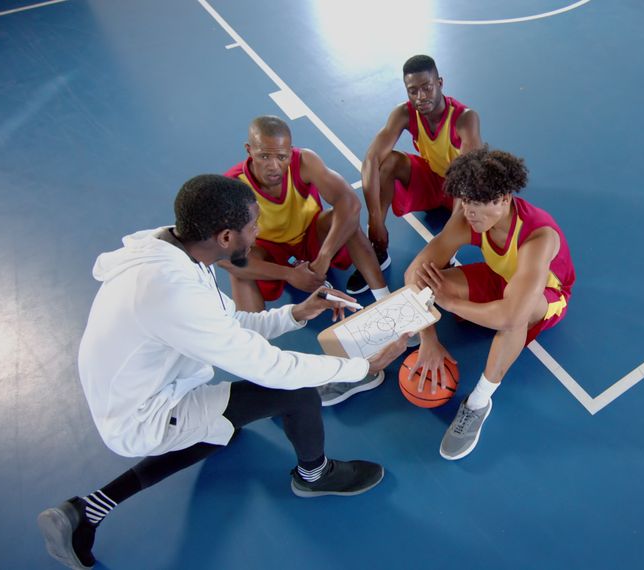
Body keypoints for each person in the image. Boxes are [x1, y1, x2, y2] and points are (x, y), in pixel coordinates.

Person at [37, 175, 410, 570]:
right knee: (296, 394)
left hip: (131, 387)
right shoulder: (171, 292)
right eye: (253, 225)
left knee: (224, 428)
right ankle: (314, 476)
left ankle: (86, 512)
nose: (259, 231)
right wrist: (361, 366)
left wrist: (296, 313)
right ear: (227, 237)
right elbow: (270, 368)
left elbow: (227, 323)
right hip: (144, 412)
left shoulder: (174, 249)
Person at [404, 148, 575, 460]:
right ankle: (415, 332)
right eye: (466, 201)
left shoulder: (538, 236)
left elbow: (511, 317)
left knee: (517, 316)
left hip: (545, 297)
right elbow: (413, 273)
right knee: (428, 279)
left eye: (480, 202)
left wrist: (450, 303)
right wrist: (428, 339)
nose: (471, 212)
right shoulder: (466, 217)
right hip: (501, 279)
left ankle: (479, 403)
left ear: (505, 199)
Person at [223, 115, 389, 308]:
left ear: (290, 152)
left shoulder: (305, 161)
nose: (273, 166)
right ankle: (251, 336)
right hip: (270, 254)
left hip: (313, 239)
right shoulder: (233, 186)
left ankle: (387, 301)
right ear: (249, 150)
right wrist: (289, 274)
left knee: (345, 217)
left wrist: (325, 256)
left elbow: (350, 203)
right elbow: (224, 260)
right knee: (238, 266)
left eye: (282, 157)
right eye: (264, 156)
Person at [355, 54, 483, 291]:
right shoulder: (404, 113)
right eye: (413, 91)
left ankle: (447, 256)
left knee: (470, 197)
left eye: (427, 88)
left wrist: (446, 242)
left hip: (460, 188)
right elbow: (371, 159)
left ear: (440, 83)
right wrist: (374, 222)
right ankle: (378, 251)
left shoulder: (465, 119)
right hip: (433, 181)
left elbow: (467, 178)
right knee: (389, 162)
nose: (420, 97)